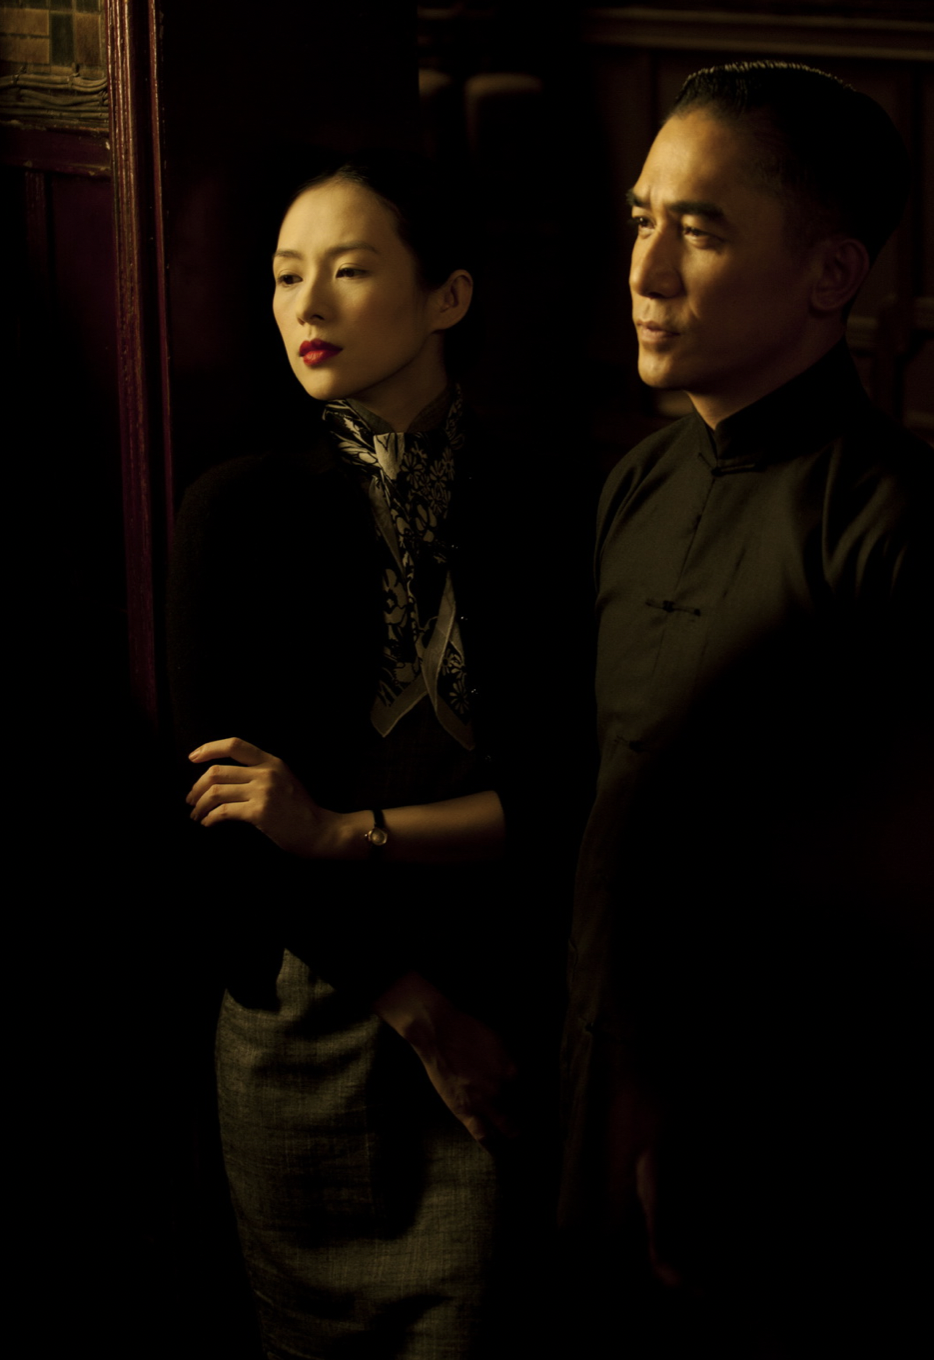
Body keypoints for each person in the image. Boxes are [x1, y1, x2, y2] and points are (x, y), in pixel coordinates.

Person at [168, 153, 566, 1360]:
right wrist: (416, 1011)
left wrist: (343, 831)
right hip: (311, 1009)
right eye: (285, 274)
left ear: (448, 295)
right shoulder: (237, 509)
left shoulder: (544, 501)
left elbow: (564, 796)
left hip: (497, 991)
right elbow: (231, 820)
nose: (306, 304)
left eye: (347, 270)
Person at [561, 62, 931, 1357]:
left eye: (701, 232)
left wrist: (724, 1135)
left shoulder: (889, 524)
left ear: (831, 274)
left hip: (786, 1159)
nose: (646, 272)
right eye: (639, 221)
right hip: (590, 1084)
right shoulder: (636, 483)